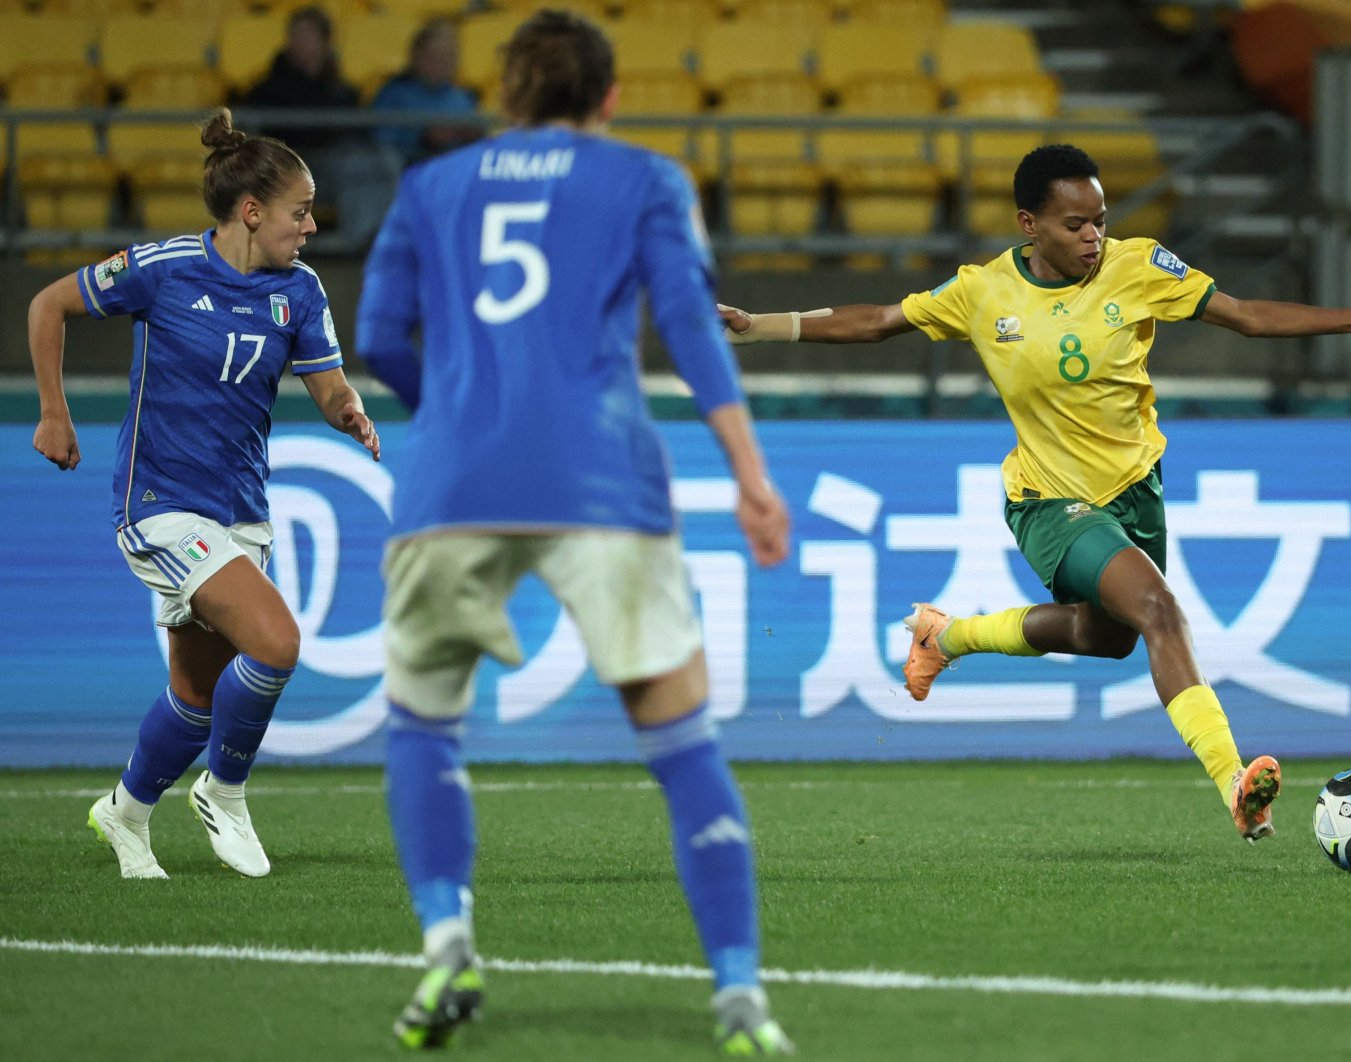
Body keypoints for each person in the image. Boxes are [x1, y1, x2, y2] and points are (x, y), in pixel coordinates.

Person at [719, 143, 1351, 844]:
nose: (1094, 236)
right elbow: (876, 321)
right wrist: (760, 329)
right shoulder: (982, 291)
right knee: (1159, 610)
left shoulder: (1139, 265)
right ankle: (1235, 785)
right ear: (1030, 224)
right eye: (1075, 224)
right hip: (1048, 501)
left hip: (1134, 492)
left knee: (1107, 637)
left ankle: (948, 635)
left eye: (1100, 219)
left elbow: (1246, 314)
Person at [356, 10, 795, 1055]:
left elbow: (375, 337)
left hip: (452, 488)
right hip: (601, 482)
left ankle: (447, 943)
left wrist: (457, 416)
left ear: (504, 95)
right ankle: (739, 999)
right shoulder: (645, 178)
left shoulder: (429, 187)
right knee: (681, 742)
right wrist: (750, 474)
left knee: (422, 724)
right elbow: (688, 322)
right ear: (608, 97)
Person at [28, 107, 381, 881]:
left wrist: (346, 409)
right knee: (277, 644)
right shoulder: (163, 267)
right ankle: (225, 790)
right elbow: (47, 303)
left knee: (195, 691)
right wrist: (54, 411)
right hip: (157, 501)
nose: (312, 225)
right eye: (299, 211)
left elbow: (325, 385)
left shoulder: (300, 290)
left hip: (240, 508)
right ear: (252, 213)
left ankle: (123, 813)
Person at [241, 4, 400, 247]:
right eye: (295, 35)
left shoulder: (342, 90)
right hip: (295, 168)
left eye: (307, 35)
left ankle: (370, 238)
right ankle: (352, 241)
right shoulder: (269, 88)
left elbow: (357, 130)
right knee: (356, 165)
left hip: (336, 164)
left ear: (325, 43)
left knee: (386, 161)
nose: (299, 41)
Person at [369, 19, 480, 166]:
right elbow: (379, 144)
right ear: (414, 57)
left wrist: (474, 135)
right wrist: (424, 139)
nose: (441, 64)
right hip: (408, 172)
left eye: (449, 57)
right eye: (433, 56)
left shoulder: (463, 98)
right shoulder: (393, 94)